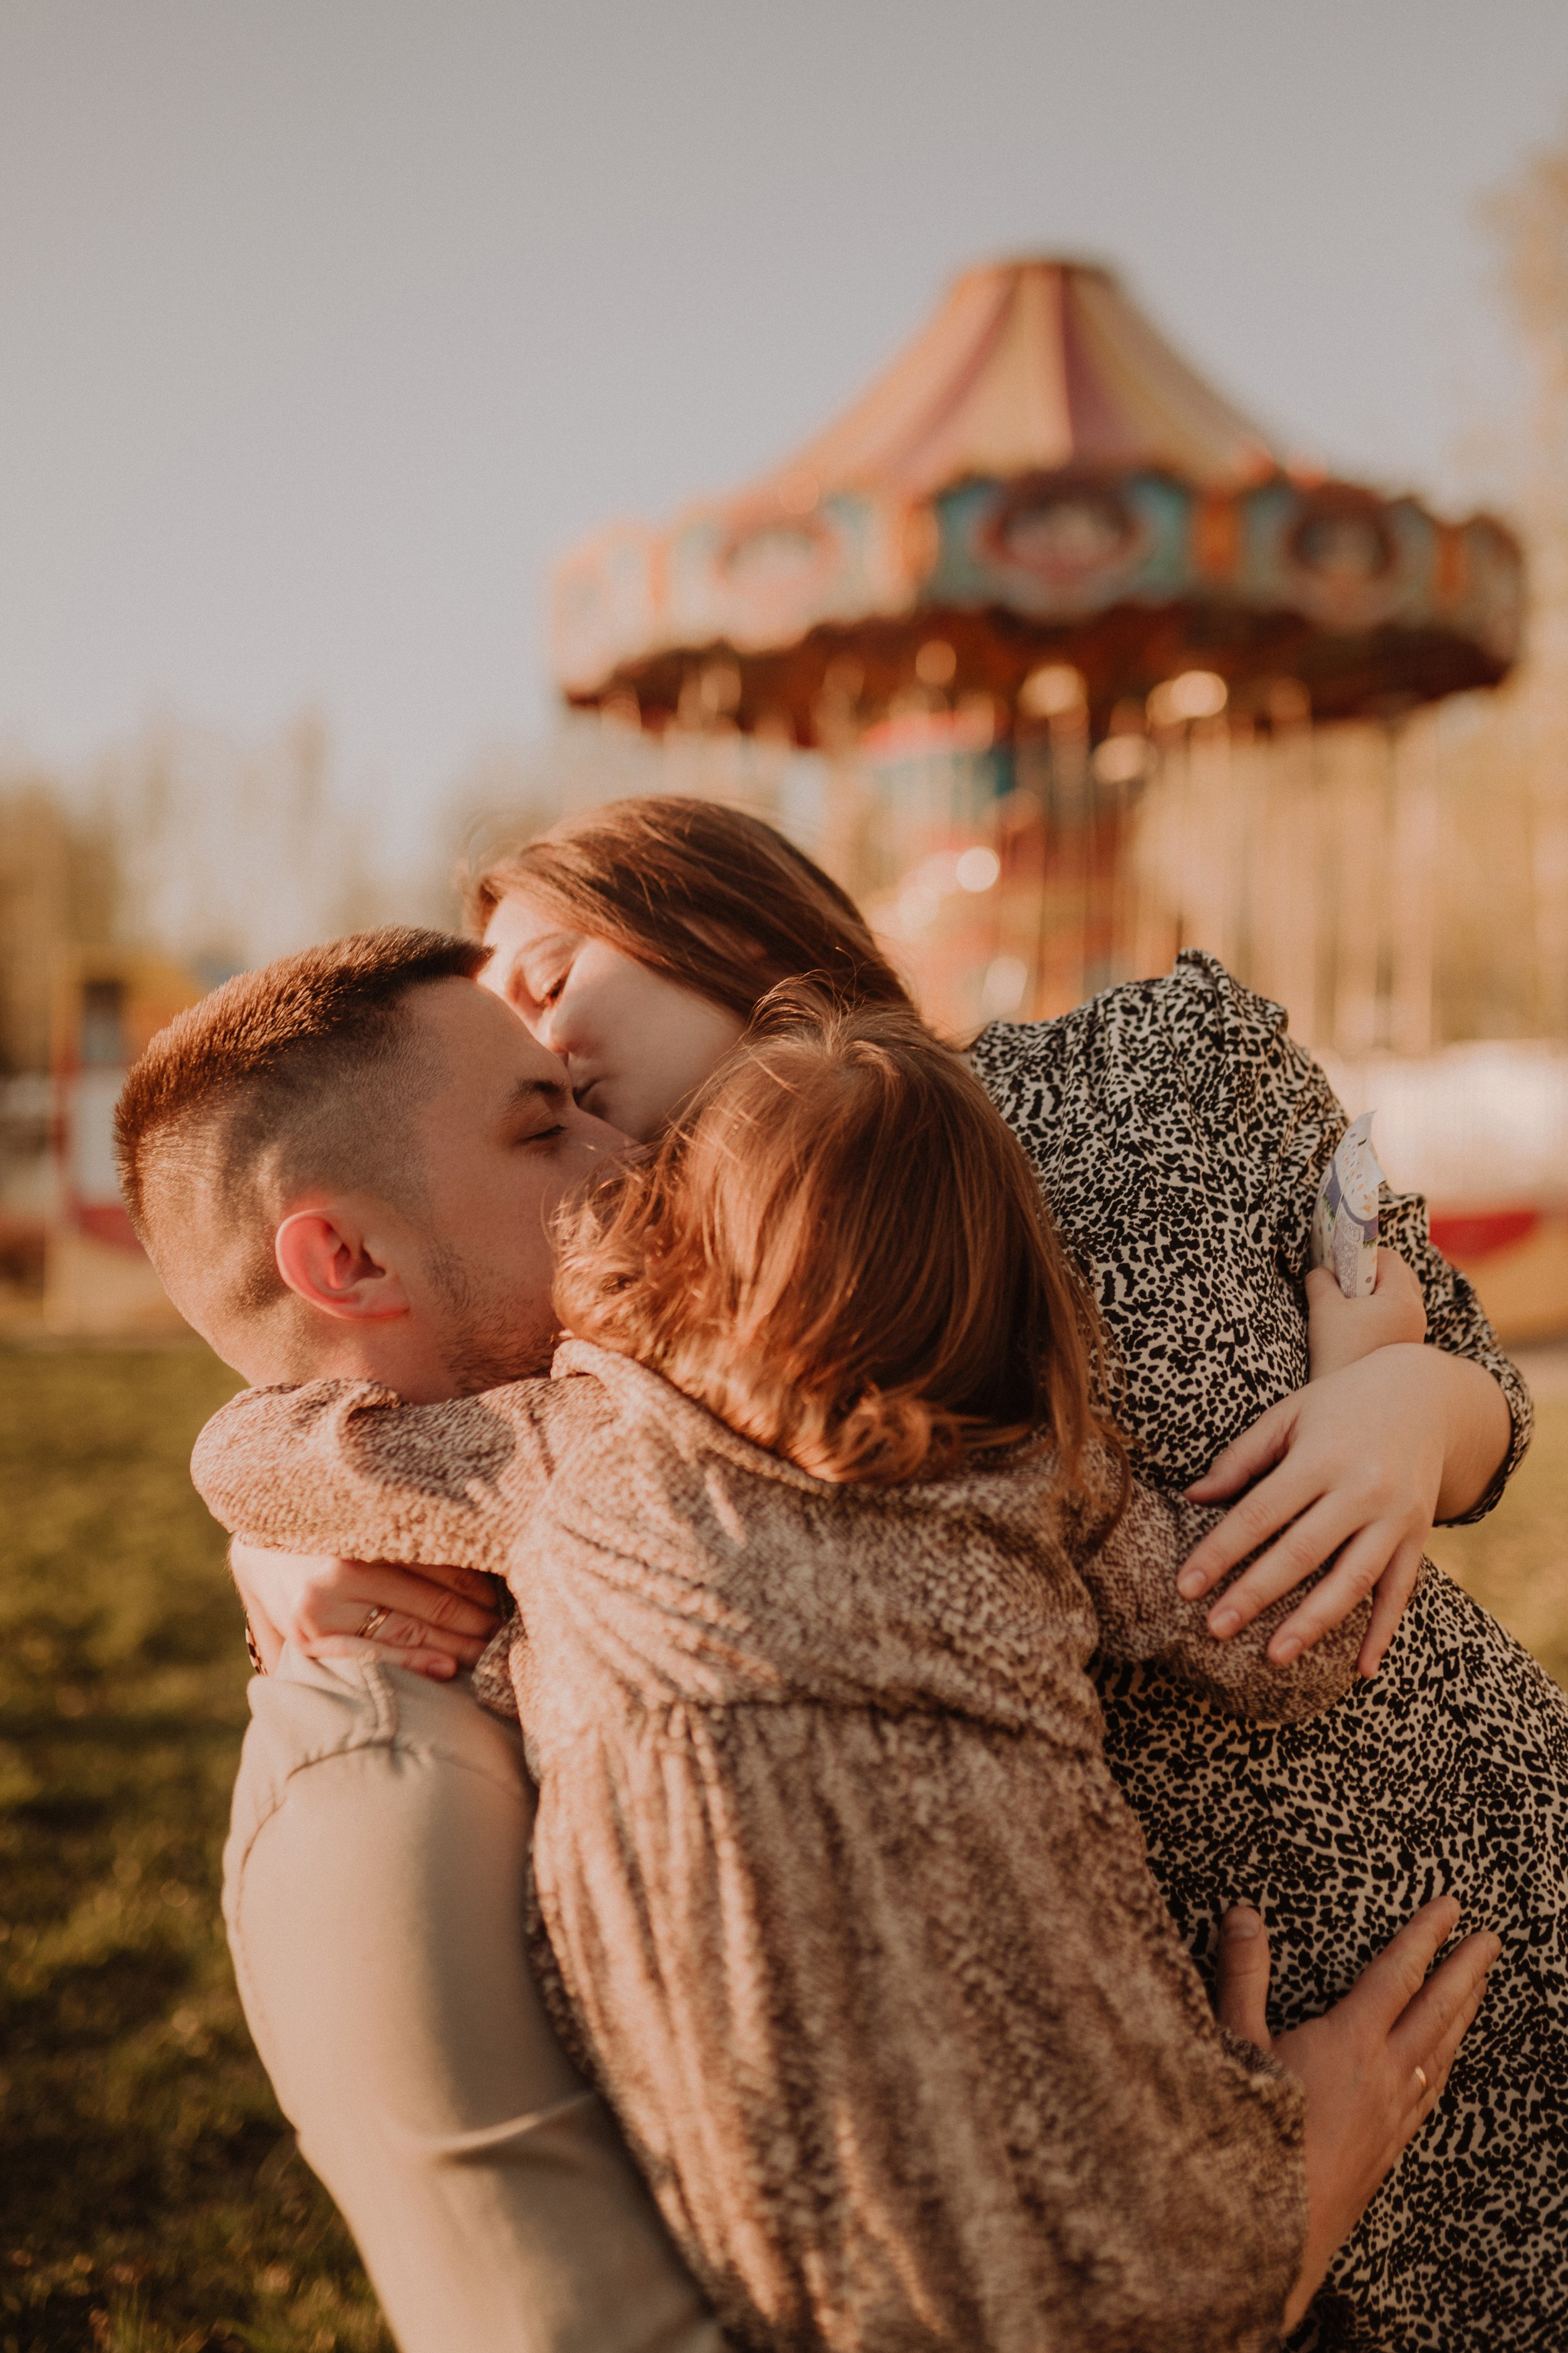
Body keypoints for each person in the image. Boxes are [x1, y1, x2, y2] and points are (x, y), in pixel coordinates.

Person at [220, 798, 1559, 2350]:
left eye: (540, 968)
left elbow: (1471, 1379)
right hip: (1163, 2103)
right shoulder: (623, 1326)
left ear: (706, 915)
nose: (526, 1046)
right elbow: (339, 1370)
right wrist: (276, 1543)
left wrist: (1407, 1405)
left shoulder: (1153, 1061)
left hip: (1491, 1890)